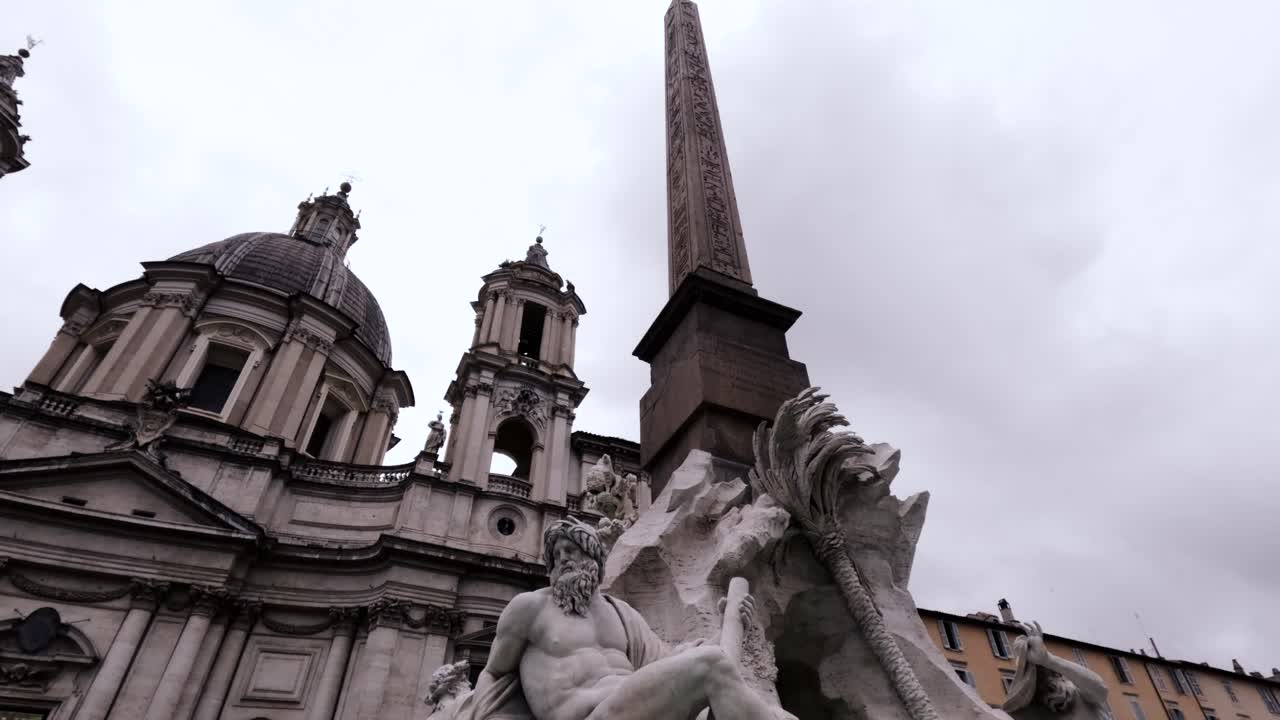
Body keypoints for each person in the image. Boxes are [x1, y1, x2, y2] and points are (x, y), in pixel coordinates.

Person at [458, 517, 775, 720]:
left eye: (571, 550)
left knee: (765, 706)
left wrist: (730, 627)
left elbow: (670, 661)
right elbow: (494, 674)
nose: (563, 559)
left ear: (593, 559)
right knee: (711, 665)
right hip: (587, 715)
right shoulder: (529, 608)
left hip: (636, 708)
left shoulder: (622, 614)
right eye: (556, 556)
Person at [1002, 621, 1113, 720]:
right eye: (1027, 670)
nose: (1035, 675)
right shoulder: (1032, 712)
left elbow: (1100, 690)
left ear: (1054, 673)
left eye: (1040, 668)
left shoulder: (1076, 690)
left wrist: (1048, 660)